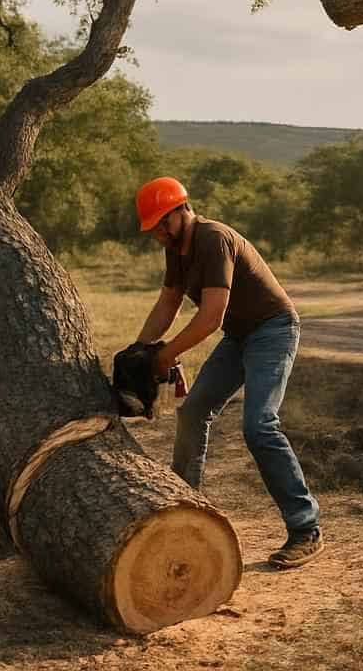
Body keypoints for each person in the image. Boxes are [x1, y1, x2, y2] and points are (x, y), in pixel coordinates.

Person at [132, 176, 324, 568]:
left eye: (161, 224)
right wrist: (138, 351)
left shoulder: (212, 238)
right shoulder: (177, 248)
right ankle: (184, 508)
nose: (158, 234)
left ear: (181, 210)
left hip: (273, 329)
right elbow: (168, 302)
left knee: (259, 426)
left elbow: (211, 315)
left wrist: (166, 354)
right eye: (152, 229)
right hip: (240, 336)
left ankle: (306, 529)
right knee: (193, 410)